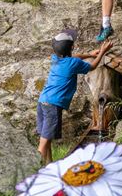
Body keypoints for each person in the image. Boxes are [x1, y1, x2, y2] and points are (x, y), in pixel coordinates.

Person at [37, 30, 113, 164]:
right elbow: (93, 66)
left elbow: (75, 57)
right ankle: (34, 170)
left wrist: (89, 54)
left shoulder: (55, 59)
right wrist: (102, 51)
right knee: (43, 144)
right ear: (71, 47)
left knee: (45, 139)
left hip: (43, 101)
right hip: (53, 105)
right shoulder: (72, 63)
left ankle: (49, 166)